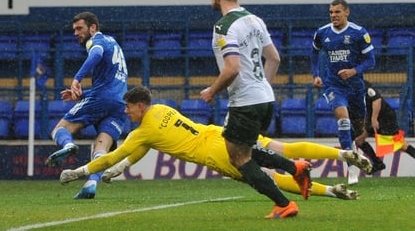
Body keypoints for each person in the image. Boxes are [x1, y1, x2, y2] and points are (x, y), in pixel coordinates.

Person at [60, 87, 372, 219]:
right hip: (216, 132)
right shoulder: (161, 110)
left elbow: (116, 154)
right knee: (268, 153)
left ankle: (291, 201)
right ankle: (317, 164)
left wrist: (80, 172)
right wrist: (123, 167)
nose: (126, 112)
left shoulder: (143, 130)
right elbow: (142, 148)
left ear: (139, 106)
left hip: (213, 153)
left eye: (128, 108)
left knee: (258, 177)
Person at [199, 0, 306, 218]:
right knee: (240, 148)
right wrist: (261, 87)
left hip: (247, 101)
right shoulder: (254, 19)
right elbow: (275, 58)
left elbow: (232, 68)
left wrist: (212, 91)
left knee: (238, 158)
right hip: (264, 98)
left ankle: (284, 203)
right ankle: (295, 167)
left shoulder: (224, 26)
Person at [44, 11, 129, 200]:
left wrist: (77, 79)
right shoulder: (113, 43)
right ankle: (91, 184)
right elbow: (111, 84)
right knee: (101, 147)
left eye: (80, 28)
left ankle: (68, 145)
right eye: (74, 30)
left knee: (59, 129)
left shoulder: (96, 41)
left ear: (93, 28)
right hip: (120, 103)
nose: (76, 33)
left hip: (102, 98)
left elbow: (96, 53)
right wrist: (84, 95)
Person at [311, 0, 376, 185]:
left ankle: (355, 149)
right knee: (343, 120)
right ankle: (352, 167)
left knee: (358, 129)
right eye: (331, 12)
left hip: (355, 88)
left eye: (337, 12)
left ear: (347, 12)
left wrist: (354, 71)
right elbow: (314, 53)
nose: (333, 16)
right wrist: (316, 74)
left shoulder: (358, 33)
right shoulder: (322, 33)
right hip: (333, 86)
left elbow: (371, 61)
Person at [354, 81, 415, 173]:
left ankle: (378, 163)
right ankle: (378, 163)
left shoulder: (361, 84)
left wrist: (374, 119)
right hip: (372, 117)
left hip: (384, 117)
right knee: (359, 140)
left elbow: (377, 100)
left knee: (402, 145)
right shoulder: (348, 86)